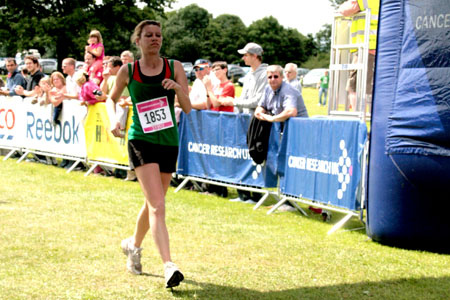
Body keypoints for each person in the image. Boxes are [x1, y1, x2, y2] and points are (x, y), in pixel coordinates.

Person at [106, 20, 191, 288]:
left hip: (168, 140)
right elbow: (110, 98)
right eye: (148, 35)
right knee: (157, 205)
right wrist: (113, 120)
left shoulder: (174, 67)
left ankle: (133, 245)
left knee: (154, 202)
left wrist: (177, 89)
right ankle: (169, 265)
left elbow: (187, 107)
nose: (154, 39)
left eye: (158, 35)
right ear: (138, 40)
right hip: (141, 139)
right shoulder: (128, 70)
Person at [255, 65, 309, 212]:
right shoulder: (267, 89)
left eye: (276, 76)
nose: (272, 80)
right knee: (279, 164)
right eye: (270, 77)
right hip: (280, 133)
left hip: (298, 134)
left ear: (282, 77)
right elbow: (259, 108)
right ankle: (283, 199)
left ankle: (290, 201)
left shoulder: (289, 90)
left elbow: (291, 111)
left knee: (290, 166)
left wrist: (272, 119)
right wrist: (262, 114)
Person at [221, 42, 268, 203]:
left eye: (246, 55)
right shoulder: (249, 75)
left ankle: (255, 195)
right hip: (245, 120)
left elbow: (258, 100)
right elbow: (245, 98)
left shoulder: (265, 74)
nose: (243, 58)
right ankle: (244, 194)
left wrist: (234, 103)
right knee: (242, 156)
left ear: (255, 56)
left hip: (258, 122)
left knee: (255, 156)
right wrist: (237, 109)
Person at [338, 0, 379, 111]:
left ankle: (357, 115)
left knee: (355, 86)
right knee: (368, 85)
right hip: (376, 48)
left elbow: (343, 11)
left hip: (365, 48)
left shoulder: (363, 1)